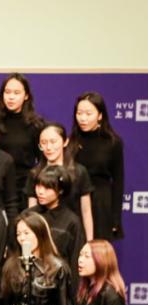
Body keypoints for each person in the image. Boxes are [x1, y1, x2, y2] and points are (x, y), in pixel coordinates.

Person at [67, 92, 124, 240]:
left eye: (88, 113)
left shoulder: (112, 142)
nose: (83, 118)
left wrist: (115, 218)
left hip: (100, 202)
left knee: (98, 255)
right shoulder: (71, 141)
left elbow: (118, 182)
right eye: (79, 113)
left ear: (100, 115)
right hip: (75, 201)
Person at [28, 122, 94, 240]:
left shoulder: (79, 172)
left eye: (53, 142)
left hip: (72, 234)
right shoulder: (35, 173)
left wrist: (89, 242)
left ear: (65, 142)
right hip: (43, 235)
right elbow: (31, 211)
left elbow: (86, 210)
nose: (48, 147)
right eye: (43, 143)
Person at [28, 165, 85, 283]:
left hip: (59, 283)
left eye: (47, 187)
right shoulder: (29, 216)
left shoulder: (71, 221)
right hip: (30, 281)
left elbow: (75, 262)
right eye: (38, 185)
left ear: (61, 190)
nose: (40, 191)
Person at [0, 73, 44, 207]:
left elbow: (42, 161)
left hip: (24, 189)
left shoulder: (36, 125)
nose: (11, 97)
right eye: (7, 92)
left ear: (26, 95)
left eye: (16, 93)